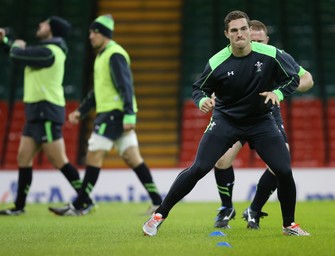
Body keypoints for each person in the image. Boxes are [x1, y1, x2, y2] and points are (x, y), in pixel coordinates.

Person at [143, 10, 310, 236]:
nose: (240, 34)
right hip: (226, 121)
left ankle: (289, 225)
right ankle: (158, 216)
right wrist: (202, 100)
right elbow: (199, 88)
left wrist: (278, 94)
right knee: (199, 168)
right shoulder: (217, 61)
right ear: (227, 34)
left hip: (261, 121)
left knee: (283, 169)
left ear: (249, 31)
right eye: (234, 30)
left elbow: (294, 78)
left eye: (243, 29)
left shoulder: (271, 54)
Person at [48, 14, 162, 216]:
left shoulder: (114, 54)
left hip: (114, 114)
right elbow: (98, 91)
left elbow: (125, 86)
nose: (90, 36)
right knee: (132, 158)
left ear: (104, 34)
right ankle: (158, 202)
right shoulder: (102, 56)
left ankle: (81, 204)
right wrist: (81, 111)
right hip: (114, 113)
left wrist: (129, 116)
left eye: (95, 32)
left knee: (94, 154)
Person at [213, 20, 314, 229]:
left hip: (266, 116)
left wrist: (282, 90)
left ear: (266, 41)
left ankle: (255, 209)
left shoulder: (276, 55)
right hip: (236, 115)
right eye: (253, 38)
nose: (256, 43)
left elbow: (306, 79)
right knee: (221, 160)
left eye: (260, 40)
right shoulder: (231, 56)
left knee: (281, 163)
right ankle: (226, 207)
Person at [0, 17, 90, 215]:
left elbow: (18, 55)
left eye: (45, 24)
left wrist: (14, 45)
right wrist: (8, 42)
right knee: (23, 158)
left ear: (53, 30)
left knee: (58, 159)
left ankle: (86, 200)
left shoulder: (51, 51)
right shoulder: (44, 50)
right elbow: (19, 54)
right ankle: (19, 207)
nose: (40, 25)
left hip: (46, 111)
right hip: (36, 112)